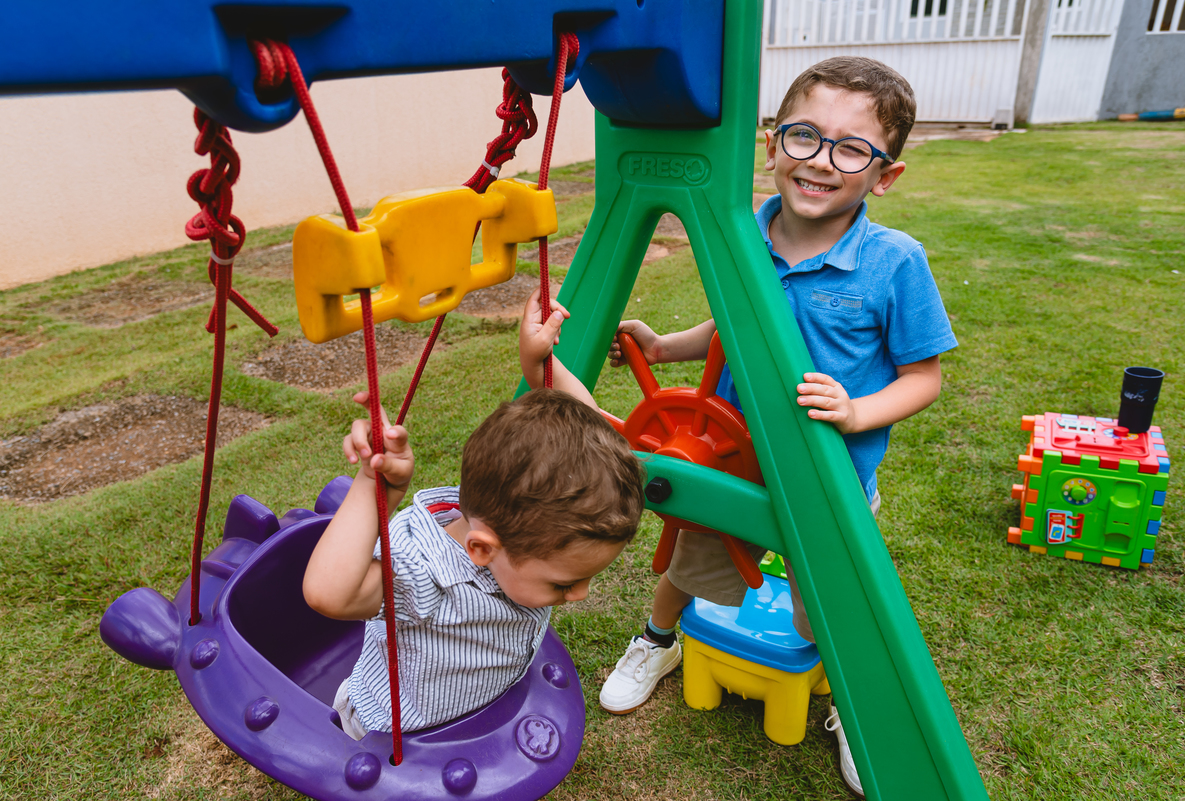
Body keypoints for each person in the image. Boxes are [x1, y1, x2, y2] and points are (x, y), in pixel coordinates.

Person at [597, 56, 957, 797]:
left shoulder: (894, 262)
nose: (820, 161)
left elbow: (924, 376)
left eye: (851, 147)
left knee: (825, 604)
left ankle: (855, 712)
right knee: (686, 566)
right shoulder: (741, 235)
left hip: (829, 480)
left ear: (884, 175)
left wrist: (858, 411)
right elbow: (737, 325)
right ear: (771, 143)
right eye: (804, 136)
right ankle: (658, 641)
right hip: (725, 461)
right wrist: (667, 347)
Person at [303, 363, 645, 738]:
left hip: (477, 706)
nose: (582, 594)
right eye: (564, 585)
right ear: (482, 549)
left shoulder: (517, 516)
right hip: (398, 734)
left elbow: (589, 431)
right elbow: (328, 594)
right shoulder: (423, 571)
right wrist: (374, 487)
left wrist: (540, 362)